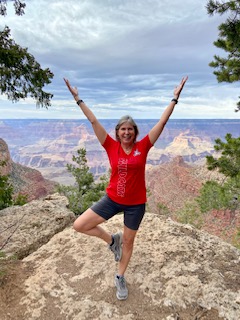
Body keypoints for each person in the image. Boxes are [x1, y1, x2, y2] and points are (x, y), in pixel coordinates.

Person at [64, 76, 188, 300]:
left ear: (135, 132)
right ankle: (112, 241)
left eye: (130, 129)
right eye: (123, 129)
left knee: (130, 241)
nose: (127, 132)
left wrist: (175, 98)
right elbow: (94, 122)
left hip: (135, 204)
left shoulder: (144, 146)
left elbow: (162, 122)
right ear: (117, 131)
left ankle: (120, 277)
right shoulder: (110, 145)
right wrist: (78, 99)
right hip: (112, 199)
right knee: (79, 225)